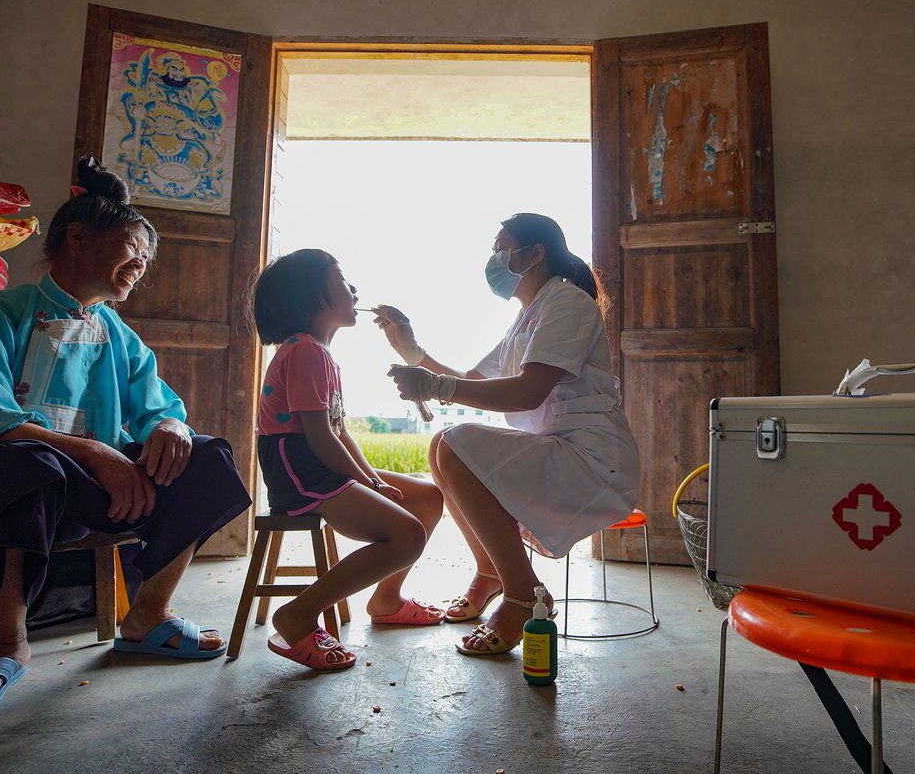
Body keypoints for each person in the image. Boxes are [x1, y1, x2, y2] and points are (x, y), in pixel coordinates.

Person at [0, 157, 252, 726]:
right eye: (131, 247)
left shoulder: (120, 336)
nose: (141, 264)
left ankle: (150, 616)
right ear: (77, 238)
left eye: (147, 256)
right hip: (0, 489)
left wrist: (169, 428)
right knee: (28, 462)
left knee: (208, 455)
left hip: (102, 489)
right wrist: (97, 452)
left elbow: (161, 410)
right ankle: (3, 644)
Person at [379, 213, 641, 655]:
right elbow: (472, 380)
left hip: (594, 461)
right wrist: (412, 350)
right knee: (443, 444)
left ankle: (522, 594)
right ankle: (489, 571)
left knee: (458, 444)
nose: (494, 258)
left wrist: (436, 386)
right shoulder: (529, 317)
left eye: (501, 246)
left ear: (534, 253)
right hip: (558, 449)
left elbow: (528, 392)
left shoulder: (566, 303)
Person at [253, 248, 445, 672]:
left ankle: (387, 599)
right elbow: (320, 438)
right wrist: (371, 484)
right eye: (342, 280)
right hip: (299, 469)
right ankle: (298, 614)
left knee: (429, 498)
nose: (354, 289)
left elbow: (339, 432)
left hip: (316, 461)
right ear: (310, 296)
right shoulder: (304, 351)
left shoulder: (318, 353)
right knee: (407, 535)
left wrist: (371, 477)